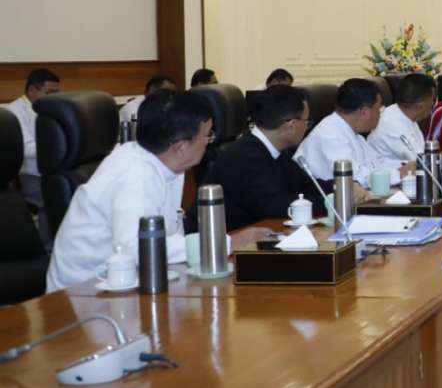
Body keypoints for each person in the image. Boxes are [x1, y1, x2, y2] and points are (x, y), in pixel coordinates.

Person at [45, 88, 213, 291]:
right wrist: (216, 244)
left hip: (129, 282)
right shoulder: (134, 175)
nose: (209, 142)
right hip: (83, 293)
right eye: (207, 136)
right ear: (181, 147)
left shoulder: (166, 163)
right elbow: (139, 249)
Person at [206, 84, 324, 230]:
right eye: (306, 121)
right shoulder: (244, 156)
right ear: (291, 125)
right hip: (231, 240)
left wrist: (341, 191)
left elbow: (309, 186)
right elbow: (273, 207)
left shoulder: (279, 152)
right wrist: (328, 202)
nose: (307, 127)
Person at [296, 78, 400, 188]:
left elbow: (376, 163)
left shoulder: (352, 133)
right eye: (379, 108)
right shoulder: (330, 135)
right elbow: (356, 179)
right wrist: (399, 173)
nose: (380, 113)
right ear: (365, 112)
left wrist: (403, 166)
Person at [5, 67, 59, 220]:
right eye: (49, 93)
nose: (54, 98)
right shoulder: (14, 111)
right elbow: (26, 148)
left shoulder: (49, 108)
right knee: (53, 202)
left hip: (52, 170)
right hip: (30, 174)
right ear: (31, 90)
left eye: (56, 93)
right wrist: (56, 146)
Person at [370, 72, 436, 162]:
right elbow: (421, 162)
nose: (433, 104)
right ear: (421, 106)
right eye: (432, 100)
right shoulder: (392, 124)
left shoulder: (404, 115)